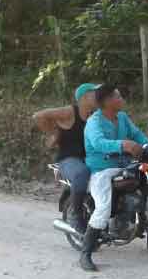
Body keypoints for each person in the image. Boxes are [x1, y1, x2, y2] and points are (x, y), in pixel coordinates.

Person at [80, 84, 148, 272]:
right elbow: (98, 143)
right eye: (118, 96)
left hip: (124, 166)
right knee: (103, 206)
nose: (122, 99)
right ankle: (85, 253)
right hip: (102, 170)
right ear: (107, 102)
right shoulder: (94, 122)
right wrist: (123, 145)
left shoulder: (122, 118)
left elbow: (138, 135)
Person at [32, 83, 100, 233]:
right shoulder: (70, 112)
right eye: (94, 93)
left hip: (90, 158)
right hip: (69, 159)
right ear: (84, 97)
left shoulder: (96, 115)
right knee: (81, 173)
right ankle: (76, 214)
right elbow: (39, 116)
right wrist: (53, 134)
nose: (98, 96)